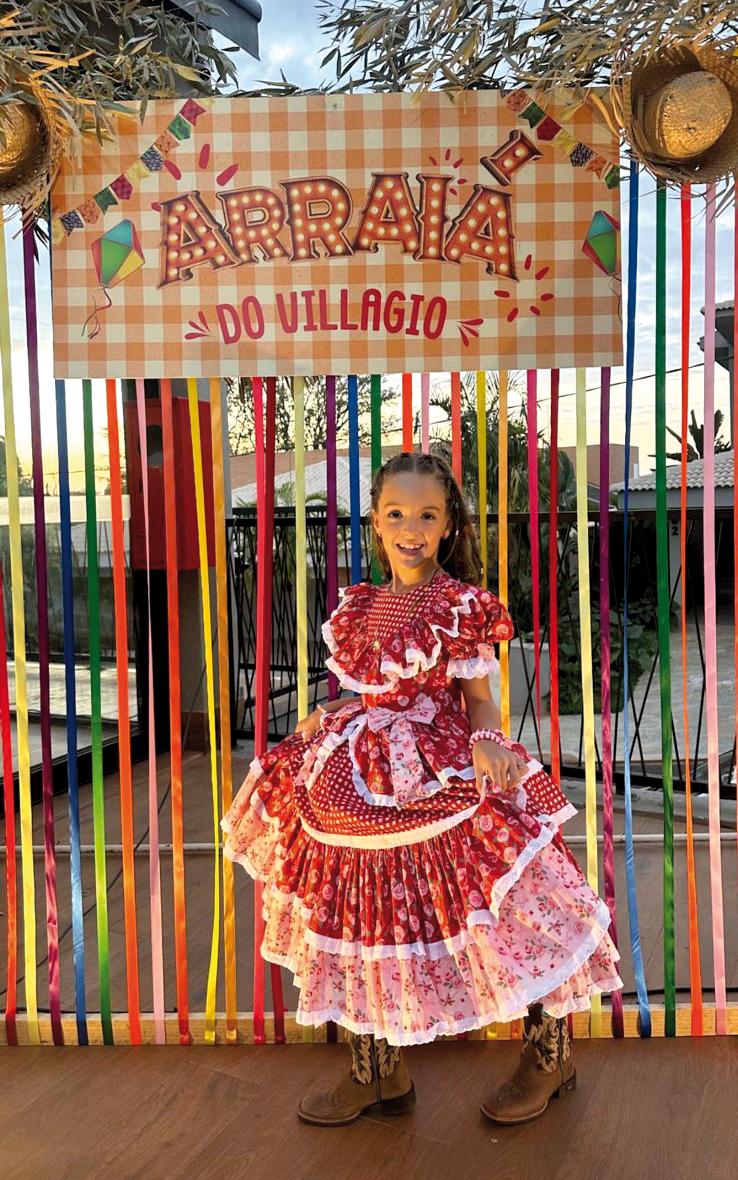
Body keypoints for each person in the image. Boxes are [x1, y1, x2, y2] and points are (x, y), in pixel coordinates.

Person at [221, 450, 623, 1127]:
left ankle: (550, 1056)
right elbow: (369, 687)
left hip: (436, 764)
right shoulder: (363, 604)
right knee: (351, 908)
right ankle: (378, 1074)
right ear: (376, 523)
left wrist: (489, 741)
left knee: (510, 901)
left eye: (427, 515)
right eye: (397, 514)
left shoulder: (458, 605)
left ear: (448, 526)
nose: (411, 528)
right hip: (356, 768)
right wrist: (330, 713)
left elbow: (480, 699)